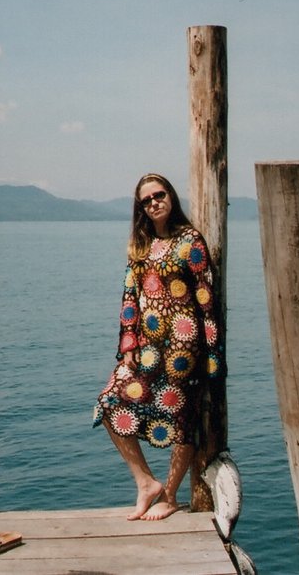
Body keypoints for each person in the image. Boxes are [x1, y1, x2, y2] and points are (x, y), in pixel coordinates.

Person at [93, 173, 224, 520]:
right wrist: (128, 344)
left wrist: (213, 358)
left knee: (181, 419)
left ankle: (170, 495)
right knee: (110, 402)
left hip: (184, 347)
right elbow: (129, 298)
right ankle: (145, 482)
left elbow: (206, 300)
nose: (154, 202)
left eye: (159, 194)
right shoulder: (140, 246)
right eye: (146, 200)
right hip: (147, 348)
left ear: (171, 196)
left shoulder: (190, 241)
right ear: (140, 208)